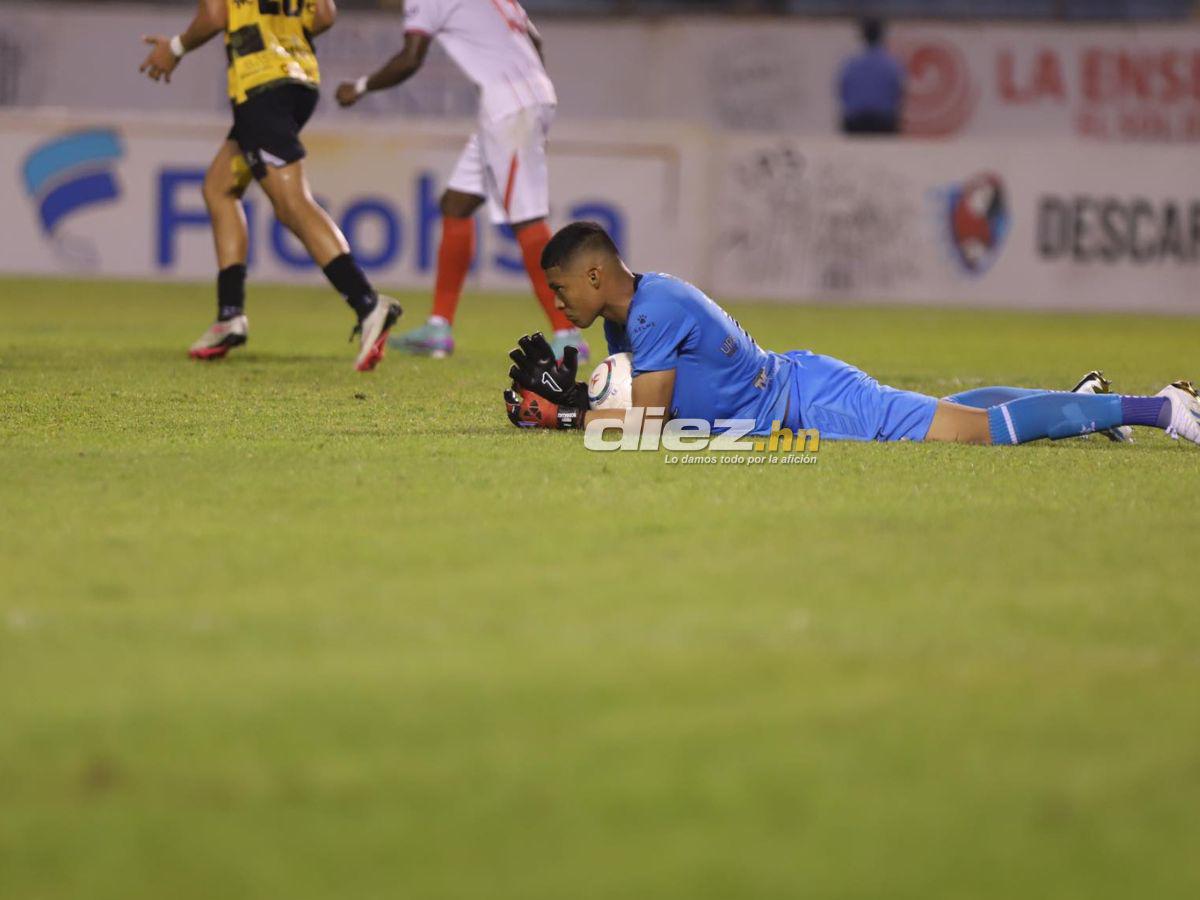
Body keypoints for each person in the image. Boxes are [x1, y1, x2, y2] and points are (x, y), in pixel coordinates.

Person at [502, 222, 1200, 450]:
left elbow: (647, 421)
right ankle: (1077, 404)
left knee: (976, 434)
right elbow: (632, 404)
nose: (556, 302)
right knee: (962, 412)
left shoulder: (652, 310)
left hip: (809, 407)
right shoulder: (632, 311)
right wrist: (577, 403)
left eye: (561, 289)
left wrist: (566, 413)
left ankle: (1160, 407)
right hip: (798, 389)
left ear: (594, 276)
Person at [139, 0, 402, 371]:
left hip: (260, 82)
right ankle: (229, 315)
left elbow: (216, 14)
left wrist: (176, 47)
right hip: (301, 81)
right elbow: (325, 14)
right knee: (219, 188)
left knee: (292, 203)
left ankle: (368, 303)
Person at [335, 0, 587, 363]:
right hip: (522, 99)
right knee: (456, 203)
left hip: (510, 105)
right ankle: (439, 328)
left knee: (527, 218)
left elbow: (410, 58)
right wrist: (535, 101)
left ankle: (568, 335)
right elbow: (535, 40)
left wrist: (359, 87)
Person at [838, 18, 905, 136]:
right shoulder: (891, 64)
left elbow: (842, 91)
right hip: (883, 124)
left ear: (863, 36)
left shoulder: (851, 64)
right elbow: (898, 93)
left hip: (855, 123)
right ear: (881, 37)